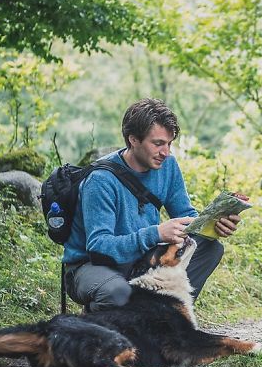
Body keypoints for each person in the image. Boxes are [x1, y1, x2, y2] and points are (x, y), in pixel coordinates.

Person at [62, 98, 240, 312]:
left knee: (210, 248)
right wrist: (156, 234)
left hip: (142, 259)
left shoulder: (168, 165)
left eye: (169, 144)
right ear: (133, 140)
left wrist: (212, 225)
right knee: (118, 293)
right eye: (158, 143)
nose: (166, 152)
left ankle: (165, 315)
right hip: (92, 266)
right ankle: (99, 320)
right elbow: (99, 247)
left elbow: (186, 215)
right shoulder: (101, 181)